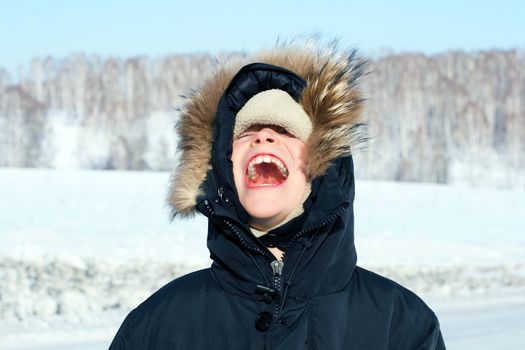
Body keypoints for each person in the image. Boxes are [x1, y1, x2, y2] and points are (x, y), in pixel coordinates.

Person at [109, 42, 446, 349]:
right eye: (247, 132)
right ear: (222, 169)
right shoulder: (158, 325)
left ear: (321, 164)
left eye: (285, 130)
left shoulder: (400, 324)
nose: (263, 138)